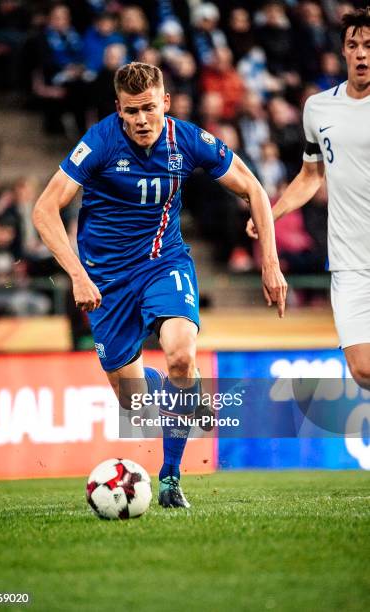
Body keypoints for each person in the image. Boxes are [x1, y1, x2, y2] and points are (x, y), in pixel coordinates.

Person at [33, 62, 287, 508]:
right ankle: (181, 392)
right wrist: (78, 274)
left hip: (163, 263)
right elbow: (44, 209)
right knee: (131, 402)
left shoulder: (186, 140)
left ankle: (170, 478)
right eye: (131, 111)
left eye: (150, 108)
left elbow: (254, 189)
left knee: (181, 355)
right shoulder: (99, 142)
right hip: (106, 280)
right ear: (119, 109)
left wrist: (270, 263)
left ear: (165, 103)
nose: (141, 120)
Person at [246, 7, 370, 390]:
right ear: (343, 52)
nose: (362, 53)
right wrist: (271, 211)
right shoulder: (318, 108)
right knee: (363, 370)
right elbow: (311, 174)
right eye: (354, 45)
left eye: (369, 45)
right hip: (350, 261)